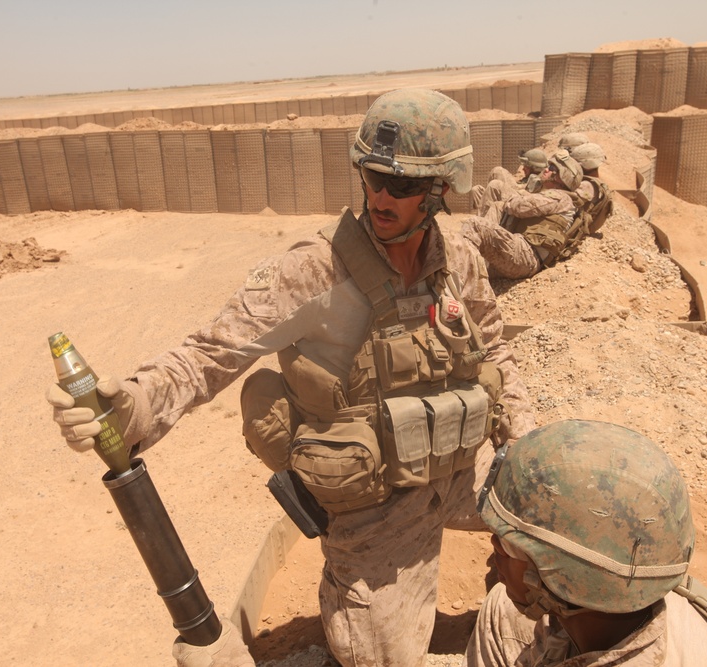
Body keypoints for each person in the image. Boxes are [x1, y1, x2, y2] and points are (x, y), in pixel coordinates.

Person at [48, 87, 535, 667]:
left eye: (402, 186)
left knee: (564, 521)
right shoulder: (309, 271)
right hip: (378, 513)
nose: (381, 196)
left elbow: (497, 352)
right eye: (371, 176)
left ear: (439, 189)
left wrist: (526, 452)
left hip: (458, 471)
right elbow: (208, 353)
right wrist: (132, 405)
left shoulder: (459, 258)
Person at [466, 419, 707, 667]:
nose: (494, 549)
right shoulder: (631, 595)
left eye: (509, 544)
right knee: (502, 609)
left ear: (569, 579)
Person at [460, 149, 586, 279]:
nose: (546, 169)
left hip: (527, 256)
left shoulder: (559, 197)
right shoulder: (560, 197)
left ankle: (464, 272)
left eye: (552, 167)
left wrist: (509, 197)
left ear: (562, 177)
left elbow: (519, 207)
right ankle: (474, 264)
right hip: (524, 253)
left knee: (475, 224)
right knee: (495, 205)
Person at [471, 148, 548, 216]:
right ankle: (487, 215)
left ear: (535, 167)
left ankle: (482, 221)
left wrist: (519, 188)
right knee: (476, 190)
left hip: (519, 202)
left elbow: (528, 196)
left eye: (526, 167)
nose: (523, 169)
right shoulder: (530, 177)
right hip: (511, 199)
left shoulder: (540, 180)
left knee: (495, 182)